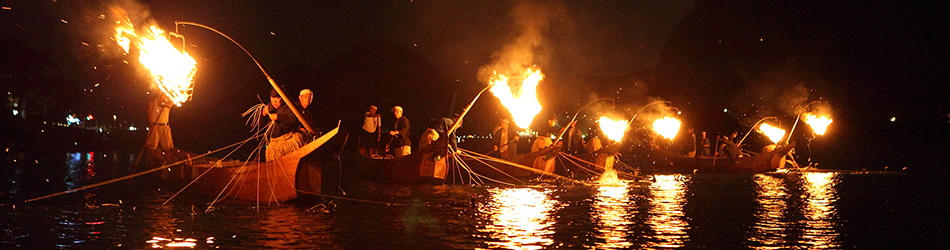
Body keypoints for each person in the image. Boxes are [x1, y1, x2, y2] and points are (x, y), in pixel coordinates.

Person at [263, 89, 303, 161]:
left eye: (278, 98)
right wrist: (263, 114)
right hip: (275, 144)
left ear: (282, 98)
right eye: (273, 98)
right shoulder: (268, 108)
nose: (275, 101)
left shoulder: (290, 106)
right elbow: (261, 126)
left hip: (290, 140)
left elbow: (294, 120)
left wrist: (278, 117)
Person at [145, 94, 175, 160]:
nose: (161, 95)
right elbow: (149, 115)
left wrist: (163, 103)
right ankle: (151, 163)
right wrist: (152, 124)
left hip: (165, 126)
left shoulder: (168, 103)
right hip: (155, 126)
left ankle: (168, 162)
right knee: (151, 147)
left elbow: (170, 105)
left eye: (163, 94)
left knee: (168, 147)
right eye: (160, 93)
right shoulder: (153, 102)